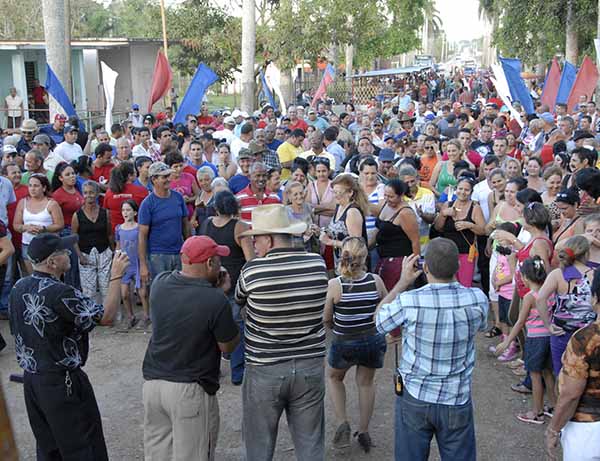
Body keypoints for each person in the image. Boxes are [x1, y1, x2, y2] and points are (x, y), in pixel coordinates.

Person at [9, 233, 129, 461]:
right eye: (64, 252)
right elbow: (106, 317)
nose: (69, 253)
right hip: (61, 381)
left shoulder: (19, 286)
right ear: (52, 262)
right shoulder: (60, 292)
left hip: (33, 381)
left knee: (49, 447)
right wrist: (116, 275)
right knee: (81, 447)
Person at [375, 238, 488, 461]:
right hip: (457, 397)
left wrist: (401, 283)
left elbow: (379, 320)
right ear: (457, 265)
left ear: (425, 268)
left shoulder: (410, 301)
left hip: (416, 394)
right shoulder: (477, 299)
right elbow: (482, 325)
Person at [235, 204, 328, 460]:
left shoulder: (253, 272)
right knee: (310, 445)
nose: (254, 245)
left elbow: (239, 300)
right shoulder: (317, 265)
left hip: (265, 366)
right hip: (309, 364)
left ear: (269, 239)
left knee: (258, 446)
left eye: (256, 239)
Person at [142, 235, 240, 461]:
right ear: (209, 263)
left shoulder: (160, 283)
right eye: (217, 260)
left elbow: (187, 292)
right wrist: (221, 294)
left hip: (153, 386)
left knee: (157, 454)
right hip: (189, 389)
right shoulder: (214, 300)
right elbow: (227, 345)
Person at [324, 237, 387, 452]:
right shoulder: (376, 281)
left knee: (334, 377)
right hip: (371, 339)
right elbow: (385, 308)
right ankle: (364, 429)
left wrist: (337, 326)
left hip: (344, 341)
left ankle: (342, 421)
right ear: (365, 257)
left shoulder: (335, 285)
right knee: (366, 383)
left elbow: (326, 318)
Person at [197, 190, 254, 385]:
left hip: (211, 283)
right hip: (234, 285)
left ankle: (211, 370)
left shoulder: (206, 225)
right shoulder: (240, 227)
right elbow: (250, 261)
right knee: (236, 327)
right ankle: (238, 372)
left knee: (210, 328)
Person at [545, 270, 600, 461]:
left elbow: (570, 394)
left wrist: (553, 430)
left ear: (594, 298)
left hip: (588, 431)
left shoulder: (585, 339)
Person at [495, 256, 556, 424]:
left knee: (535, 376)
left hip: (535, 339)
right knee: (548, 373)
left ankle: (536, 412)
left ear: (525, 278)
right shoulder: (549, 291)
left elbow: (520, 322)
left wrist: (507, 342)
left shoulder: (530, 296)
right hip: (549, 338)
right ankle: (553, 405)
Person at [536, 235, 596, 375]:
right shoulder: (595, 274)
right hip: (588, 335)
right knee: (586, 374)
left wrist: (548, 325)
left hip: (562, 332)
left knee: (561, 373)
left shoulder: (558, 274)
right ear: (587, 253)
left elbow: (540, 299)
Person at [138, 162, 190, 285]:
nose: (168, 179)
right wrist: (143, 265)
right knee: (161, 291)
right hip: (157, 255)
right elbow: (142, 235)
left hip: (178, 252)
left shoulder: (178, 198)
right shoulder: (147, 204)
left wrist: (188, 249)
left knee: (180, 290)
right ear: (154, 179)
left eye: (168, 176)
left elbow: (185, 225)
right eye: (164, 177)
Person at [434, 176, 486, 287]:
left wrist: (469, 225)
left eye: (467, 190)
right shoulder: (447, 204)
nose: (463, 192)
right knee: (447, 285)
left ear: (471, 192)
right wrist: (443, 214)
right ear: (456, 189)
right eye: (460, 189)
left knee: (464, 285)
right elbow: (438, 227)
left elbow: (483, 231)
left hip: (466, 253)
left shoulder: (475, 207)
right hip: (447, 253)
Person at [370, 179, 420, 290]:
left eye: (391, 197)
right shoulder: (384, 204)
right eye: (386, 195)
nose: (387, 199)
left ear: (401, 195)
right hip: (382, 257)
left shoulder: (405, 213)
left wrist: (414, 264)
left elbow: (415, 240)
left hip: (399, 260)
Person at [13, 174, 64, 275]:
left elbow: (60, 225)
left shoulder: (52, 204)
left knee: (50, 275)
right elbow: (16, 225)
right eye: (30, 185)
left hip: (48, 245)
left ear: (44, 188)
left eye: (36, 186)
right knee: (31, 276)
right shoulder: (22, 203)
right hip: (27, 244)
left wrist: (44, 229)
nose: (32, 189)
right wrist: (25, 227)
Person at [72, 181, 112, 303]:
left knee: (107, 288)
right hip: (85, 254)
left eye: (91, 192)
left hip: (104, 252)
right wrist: (80, 256)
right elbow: (74, 238)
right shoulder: (77, 215)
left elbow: (109, 234)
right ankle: (92, 318)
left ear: (97, 193)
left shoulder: (105, 213)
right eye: (85, 193)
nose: (88, 195)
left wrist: (112, 251)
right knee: (89, 291)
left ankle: (108, 316)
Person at [321, 173, 369, 268]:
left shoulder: (352, 212)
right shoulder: (339, 206)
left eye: (338, 192)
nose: (335, 196)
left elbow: (356, 244)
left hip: (354, 267)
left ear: (350, 192)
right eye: (334, 192)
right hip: (340, 263)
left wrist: (331, 242)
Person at [51, 162, 84, 289]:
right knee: (72, 265)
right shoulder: (57, 195)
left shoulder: (77, 189)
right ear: (60, 178)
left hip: (80, 230)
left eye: (73, 173)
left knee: (80, 265)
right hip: (67, 232)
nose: (72, 176)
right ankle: (71, 291)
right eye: (68, 174)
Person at [104, 161, 149, 233]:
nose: (136, 174)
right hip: (136, 233)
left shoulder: (109, 192)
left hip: (116, 233)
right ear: (129, 176)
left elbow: (107, 215)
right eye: (134, 172)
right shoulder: (142, 191)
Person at [165, 151, 199, 217]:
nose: (179, 169)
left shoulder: (189, 177)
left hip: (189, 215)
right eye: (175, 166)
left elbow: (198, 196)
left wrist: (189, 199)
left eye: (181, 165)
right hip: (172, 216)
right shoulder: (166, 180)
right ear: (169, 167)